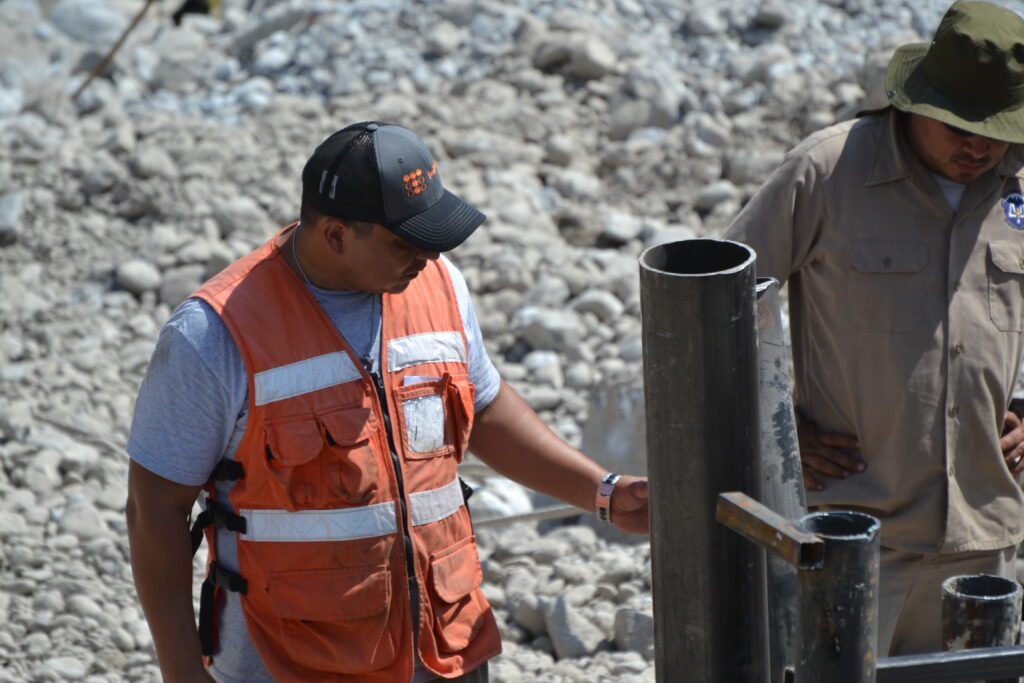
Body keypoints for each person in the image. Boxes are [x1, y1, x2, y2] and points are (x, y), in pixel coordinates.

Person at [124, 122, 650, 683]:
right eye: (406, 241)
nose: (428, 256)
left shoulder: (439, 285)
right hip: (291, 663)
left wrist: (603, 494)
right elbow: (154, 508)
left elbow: (486, 409)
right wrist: (181, 670)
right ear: (334, 235)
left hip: (444, 650)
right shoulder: (214, 335)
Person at [726, 0, 1024, 656]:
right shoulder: (828, 171)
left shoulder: (1018, 188)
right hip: (853, 540)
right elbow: (713, 307)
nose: (979, 146)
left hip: (983, 536)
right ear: (919, 101)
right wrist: (770, 433)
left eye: (995, 129)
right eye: (961, 126)